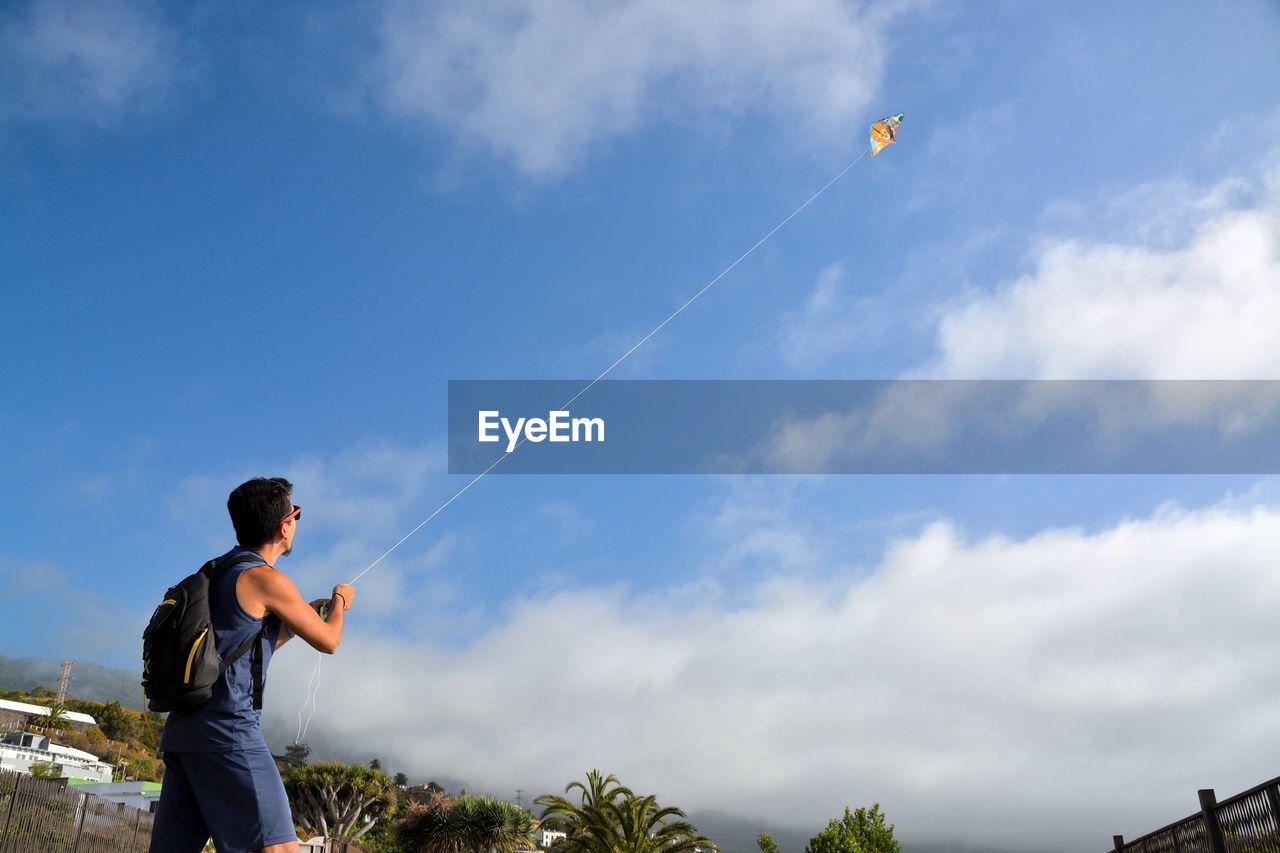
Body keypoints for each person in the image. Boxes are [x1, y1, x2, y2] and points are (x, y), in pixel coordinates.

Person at [151, 477, 356, 853]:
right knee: (278, 848)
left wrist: (293, 624)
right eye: (297, 515)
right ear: (283, 526)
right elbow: (329, 641)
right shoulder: (266, 579)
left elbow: (239, 648)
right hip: (229, 732)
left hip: (184, 735)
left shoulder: (215, 573)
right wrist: (340, 601)